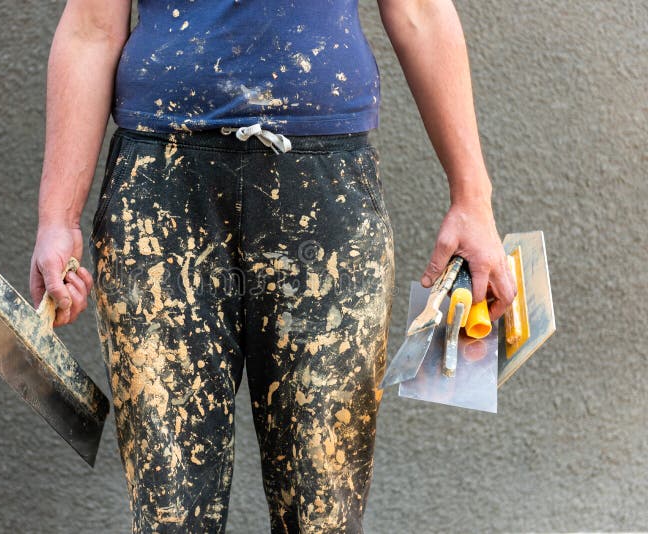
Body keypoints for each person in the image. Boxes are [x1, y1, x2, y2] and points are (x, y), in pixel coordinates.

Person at [29, 0, 516, 532]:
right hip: (159, 195)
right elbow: (90, 29)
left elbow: (420, 11)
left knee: (322, 511)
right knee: (170, 513)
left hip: (325, 198)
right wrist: (58, 218)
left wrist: (473, 198)